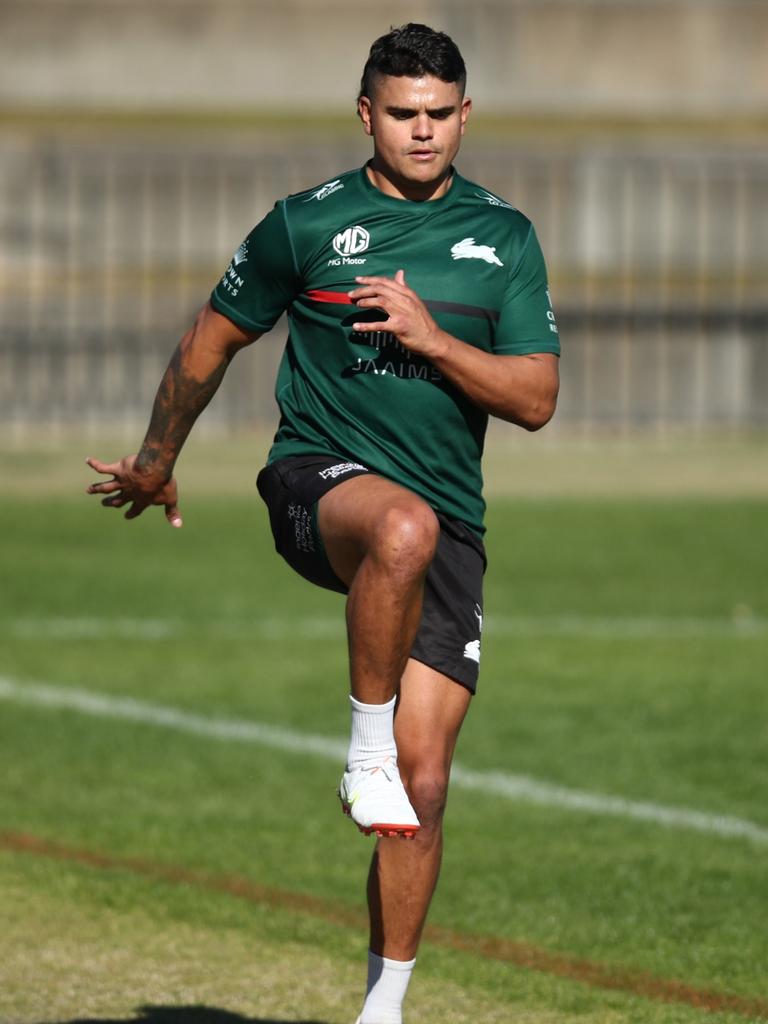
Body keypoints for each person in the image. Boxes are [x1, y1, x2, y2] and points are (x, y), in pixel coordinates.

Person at [86, 23, 560, 1024]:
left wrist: (433, 339)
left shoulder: (504, 237)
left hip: (449, 522)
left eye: (440, 115)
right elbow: (209, 343)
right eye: (403, 114)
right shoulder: (304, 225)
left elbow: (535, 397)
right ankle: (364, 744)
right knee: (397, 532)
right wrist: (157, 460)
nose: (423, 132)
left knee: (424, 789)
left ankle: (382, 1009)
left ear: (465, 114)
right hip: (316, 483)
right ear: (365, 115)